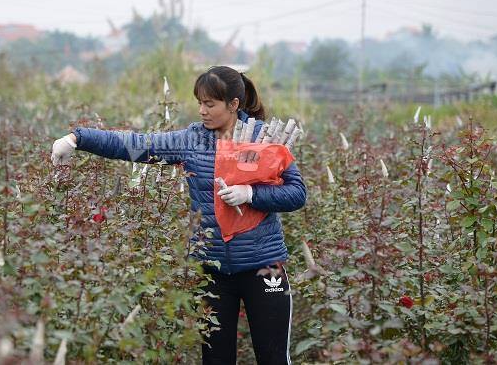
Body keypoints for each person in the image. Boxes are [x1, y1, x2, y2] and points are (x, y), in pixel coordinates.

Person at [51, 65, 307, 364]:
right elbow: (136, 146)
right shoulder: (190, 141)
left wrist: (252, 195)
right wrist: (78, 138)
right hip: (212, 269)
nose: (202, 110)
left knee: (273, 358)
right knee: (215, 360)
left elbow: (297, 194)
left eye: (210, 104)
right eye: (200, 102)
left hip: (264, 266)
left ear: (234, 104)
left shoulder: (264, 140)